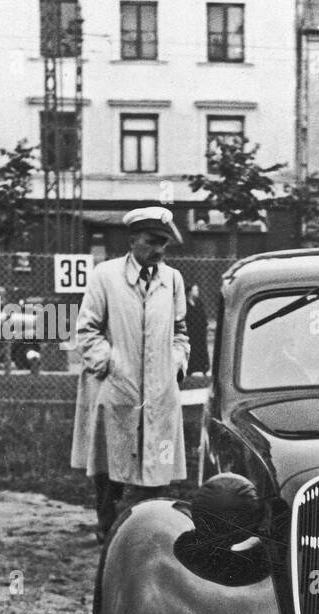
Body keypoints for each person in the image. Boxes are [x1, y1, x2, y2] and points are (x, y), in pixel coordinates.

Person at [71, 206, 190, 543]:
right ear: (133, 240)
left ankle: (152, 532)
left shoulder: (173, 280)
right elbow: (87, 329)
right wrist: (109, 364)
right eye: (152, 241)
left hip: (159, 389)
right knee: (112, 462)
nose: (159, 250)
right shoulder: (105, 276)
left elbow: (181, 331)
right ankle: (108, 528)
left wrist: (176, 364)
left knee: (159, 459)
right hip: (117, 387)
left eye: (164, 244)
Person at [185, 284, 210, 376]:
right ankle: (192, 369)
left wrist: (204, 326)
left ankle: (204, 368)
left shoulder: (199, 303)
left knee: (202, 349)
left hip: (200, 331)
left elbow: (203, 316)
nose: (197, 292)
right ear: (190, 292)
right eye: (195, 290)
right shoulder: (185, 305)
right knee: (192, 350)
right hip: (191, 332)